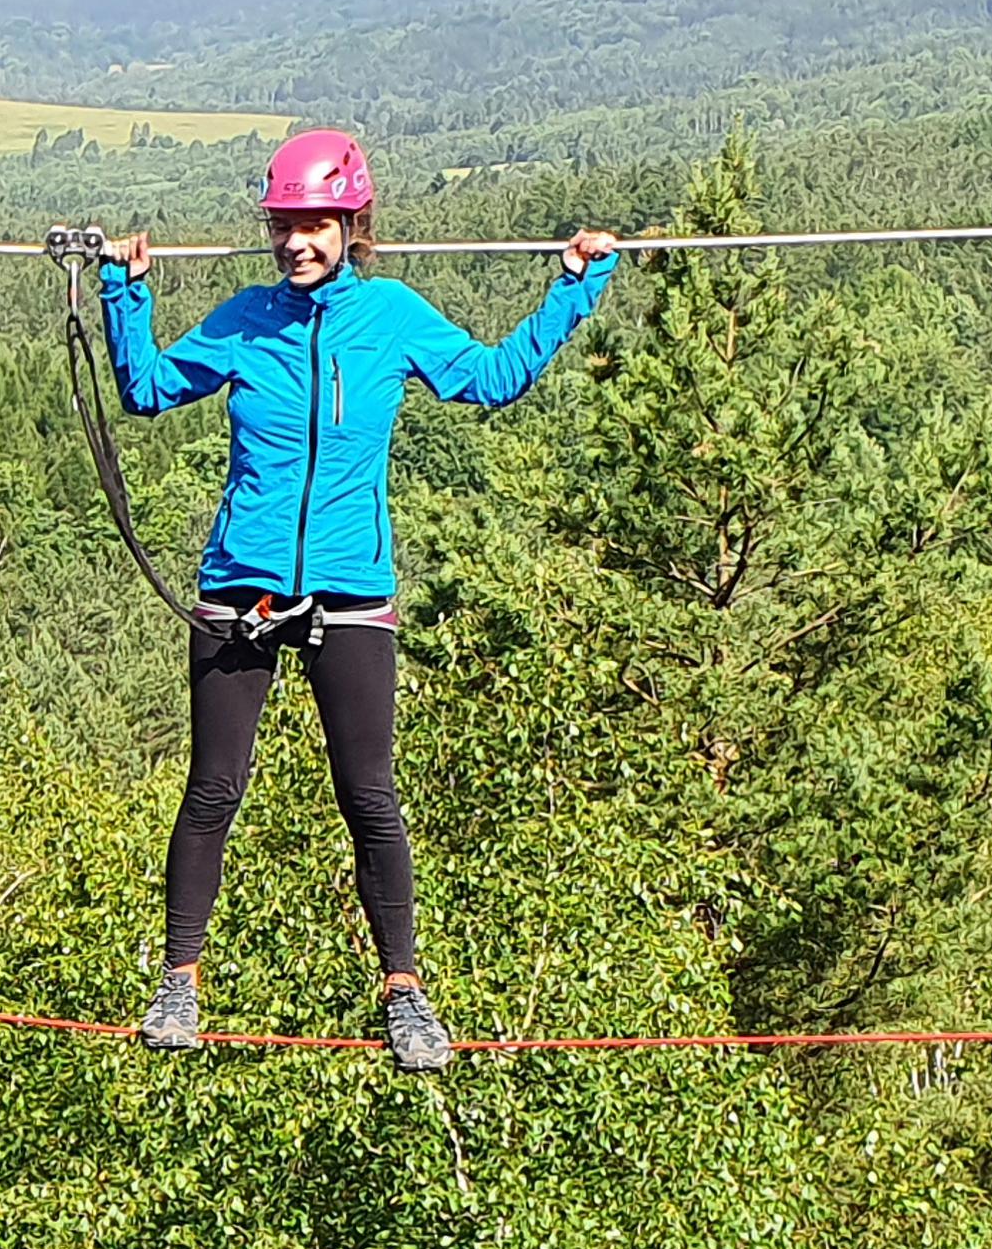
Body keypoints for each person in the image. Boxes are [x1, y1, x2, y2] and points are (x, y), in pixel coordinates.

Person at [101, 130, 618, 1070]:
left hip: (349, 588)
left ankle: (405, 994)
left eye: (315, 224)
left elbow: (491, 379)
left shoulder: (388, 316)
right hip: (243, 586)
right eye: (284, 225)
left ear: (352, 223)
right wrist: (123, 292)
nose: (297, 241)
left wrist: (574, 286)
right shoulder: (244, 320)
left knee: (370, 796)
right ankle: (179, 981)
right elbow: (143, 390)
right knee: (213, 789)